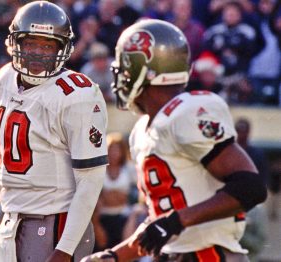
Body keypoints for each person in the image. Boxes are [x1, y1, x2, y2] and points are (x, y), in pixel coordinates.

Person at [82, 19, 267, 261]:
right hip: (173, 254)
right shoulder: (142, 131)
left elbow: (250, 187)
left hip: (209, 255)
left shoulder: (186, 112)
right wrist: (114, 256)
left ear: (146, 68)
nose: (120, 76)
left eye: (126, 66)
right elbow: (158, 223)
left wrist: (175, 221)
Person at [0, 1, 108, 262]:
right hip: (11, 220)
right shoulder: (4, 80)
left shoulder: (77, 94)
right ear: (15, 43)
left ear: (62, 49)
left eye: (47, 45)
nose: (38, 53)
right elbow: (5, 160)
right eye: (31, 44)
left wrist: (65, 248)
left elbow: (91, 180)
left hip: (55, 221)